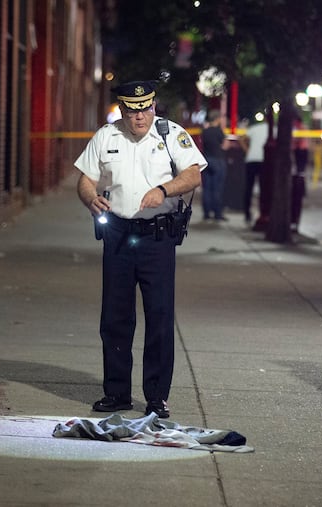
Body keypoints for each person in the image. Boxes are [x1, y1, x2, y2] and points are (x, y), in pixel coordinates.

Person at [74, 80, 206, 419]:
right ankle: (117, 392)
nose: (140, 117)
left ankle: (156, 397)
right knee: (115, 317)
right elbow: (85, 179)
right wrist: (91, 198)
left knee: (159, 317)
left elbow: (193, 176)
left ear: (154, 106)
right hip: (118, 233)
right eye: (133, 111)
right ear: (122, 110)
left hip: (156, 238)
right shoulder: (107, 136)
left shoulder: (169, 134)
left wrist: (163, 190)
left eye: (146, 109)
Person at [240, 118, 270, 224]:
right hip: (264, 160)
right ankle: (263, 213)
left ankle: (247, 214)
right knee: (264, 188)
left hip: (251, 159)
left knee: (249, 187)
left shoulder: (255, 128)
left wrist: (247, 150)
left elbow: (242, 139)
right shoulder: (273, 129)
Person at [201, 110, 228, 221]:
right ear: (217, 119)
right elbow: (225, 146)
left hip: (207, 160)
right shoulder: (219, 131)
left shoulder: (205, 131)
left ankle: (206, 213)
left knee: (207, 188)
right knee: (217, 188)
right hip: (218, 160)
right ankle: (217, 213)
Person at [291, 118, 309, 232]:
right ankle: (294, 222)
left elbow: (298, 141)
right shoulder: (302, 128)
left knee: (300, 173)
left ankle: (294, 222)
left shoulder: (300, 128)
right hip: (301, 151)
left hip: (300, 151)